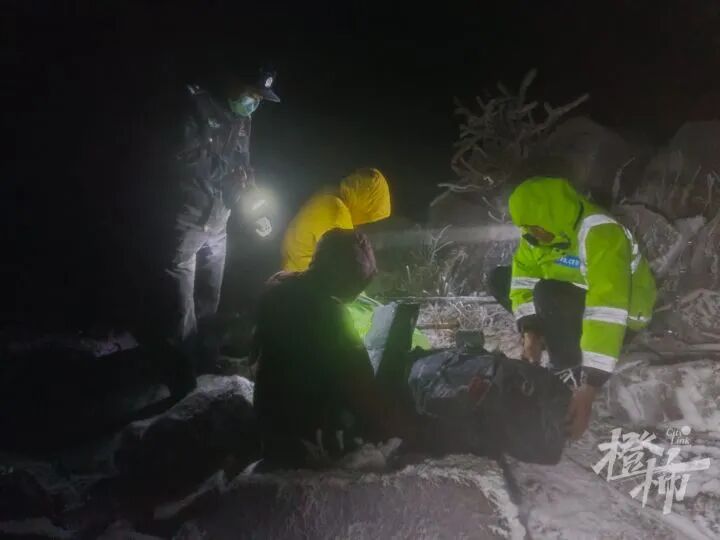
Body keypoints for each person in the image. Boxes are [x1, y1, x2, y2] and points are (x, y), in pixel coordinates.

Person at [488, 176, 656, 439]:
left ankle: (567, 366)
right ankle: (555, 337)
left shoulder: (601, 233)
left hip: (623, 317)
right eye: (527, 228)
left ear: (553, 216)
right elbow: (522, 281)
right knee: (500, 279)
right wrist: (531, 333)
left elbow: (607, 307)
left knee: (548, 292)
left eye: (536, 228)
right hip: (569, 299)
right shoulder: (535, 234)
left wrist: (590, 385)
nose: (532, 234)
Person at [161, 68, 279, 394]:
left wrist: (255, 211)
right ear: (234, 82)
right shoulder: (195, 104)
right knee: (180, 308)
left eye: (259, 99)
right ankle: (181, 377)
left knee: (209, 300)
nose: (254, 103)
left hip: (219, 222)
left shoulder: (244, 120)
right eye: (251, 94)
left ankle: (205, 361)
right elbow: (183, 156)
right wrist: (226, 175)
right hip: (188, 220)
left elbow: (244, 169)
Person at [252, 228, 409, 468]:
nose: (358, 291)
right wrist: (395, 427)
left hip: (268, 421)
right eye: (357, 282)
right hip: (305, 438)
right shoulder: (332, 315)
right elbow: (363, 386)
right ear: (343, 276)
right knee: (388, 438)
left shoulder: (277, 284)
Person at [281, 168, 391, 272]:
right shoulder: (338, 216)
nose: (367, 222)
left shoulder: (328, 197)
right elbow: (344, 265)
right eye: (371, 216)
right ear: (366, 204)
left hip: (291, 268)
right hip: (302, 277)